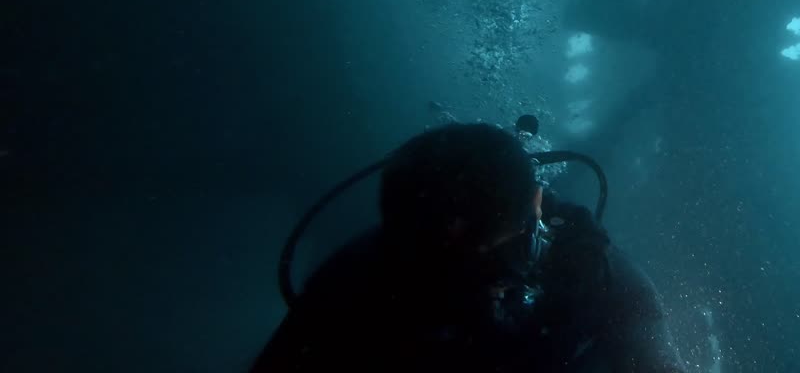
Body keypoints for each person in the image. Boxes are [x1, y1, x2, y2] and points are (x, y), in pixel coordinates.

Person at [251, 122, 687, 372]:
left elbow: (652, 347)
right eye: (446, 265)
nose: (482, 284)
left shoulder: (584, 261)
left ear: (536, 208)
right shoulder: (348, 295)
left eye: (492, 259)